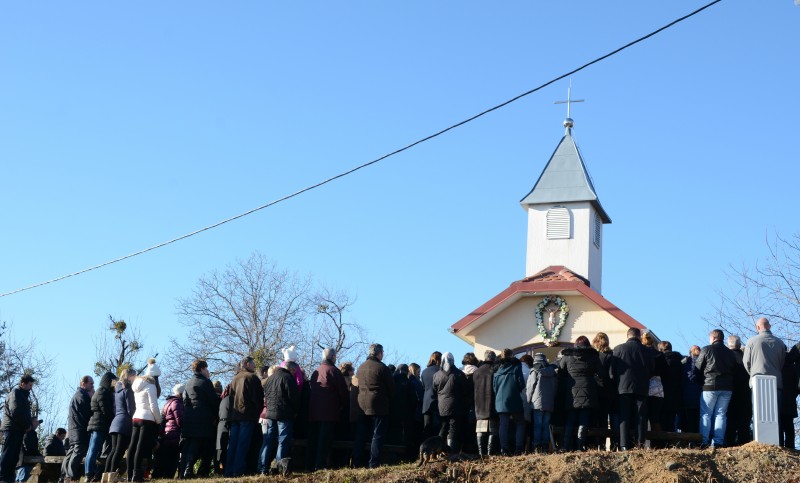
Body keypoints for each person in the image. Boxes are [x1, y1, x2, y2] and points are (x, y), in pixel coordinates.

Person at [353, 343, 395, 468]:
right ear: (379, 353)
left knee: (360, 434)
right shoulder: (382, 368)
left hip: (361, 404)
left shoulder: (361, 367)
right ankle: (373, 463)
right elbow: (392, 388)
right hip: (378, 405)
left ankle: (356, 462)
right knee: (377, 435)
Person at [611, 327, 653, 450]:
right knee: (640, 416)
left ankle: (624, 444)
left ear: (628, 336)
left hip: (623, 387)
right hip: (642, 387)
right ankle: (640, 443)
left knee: (624, 416)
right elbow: (651, 369)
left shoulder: (618, 349)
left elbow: (612, 372)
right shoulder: (646, 351)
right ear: (639, 336)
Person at [307, 348, 348, 471]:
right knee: (324, 440)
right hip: (329, 412)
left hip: (314, 411)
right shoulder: (334, 371)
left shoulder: (315, 372)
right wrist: (343, 405)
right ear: (332, 357)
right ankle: (320, 465)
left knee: (313, 439)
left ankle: (309, 465)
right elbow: (343, 392)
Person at [695, 329, 737, 448]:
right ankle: (718, 441)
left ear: (713, 338)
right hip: (727, 387)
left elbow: (698, 367)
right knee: (721, 414)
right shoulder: (730, 353)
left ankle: (704, 441)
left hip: (710, 385)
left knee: (706, 414)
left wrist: (700, 381)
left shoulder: (707, 349)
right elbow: (734, 369)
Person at [559, 336, 601, 451]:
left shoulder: (567, 356)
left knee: (570, 419)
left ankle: (565, 445)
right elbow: (601, 374)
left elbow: (561, 372)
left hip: (571, 391)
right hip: (588, 390)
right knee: (584, 419)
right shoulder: (593, 357)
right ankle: (579, 446)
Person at [224, 356, 264, 477]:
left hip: (235, 416)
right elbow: (258, 398)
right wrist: (257, 411)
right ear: (247, 364)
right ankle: (238, 470)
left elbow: (230, 399)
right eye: (253, 363)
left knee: (233, 445)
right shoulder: (252, 378)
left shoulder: (234, 379)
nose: (254, 366)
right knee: (243, 444)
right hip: (247, 415)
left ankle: (228, 471)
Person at [180, 359, 220, 478]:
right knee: (200, 445)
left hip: (189, 417)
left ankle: (184, 471)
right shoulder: (205, 382)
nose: (208, 371)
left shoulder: (188, 383)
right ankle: (191, 470)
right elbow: (213, 401)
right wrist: (216, 416)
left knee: (190, 445)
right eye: (206, 368)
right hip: (203, 418)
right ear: (202, 369)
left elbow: (185, 401)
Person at [260, 361, 300, 475]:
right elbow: (294, 398)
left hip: (270, 414)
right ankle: (279, 467)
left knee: (268, 440)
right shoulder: (288, 378)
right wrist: (295, 411)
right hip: (284, 414)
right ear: (291, 369)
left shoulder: (270, 379)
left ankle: (263, 467)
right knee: (283, 441)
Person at [0, 375, 37, 483]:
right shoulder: (15, 394)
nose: (31, 388)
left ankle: (9, 478)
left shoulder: (22, 396)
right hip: (12, 429)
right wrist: (27, 425)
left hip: (17, 429)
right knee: (8, 455)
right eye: (29, 385)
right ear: (23, 384)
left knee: (14, 456)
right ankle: (3, 478)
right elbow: (15, 412)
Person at [128, 366, 161, 482]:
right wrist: (159, 420)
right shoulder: (151, 386)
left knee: (132, 447)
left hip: (136, 417)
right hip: (147, 419)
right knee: (140, 447)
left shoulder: (137, 386)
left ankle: (130, 473)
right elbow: (154, 406)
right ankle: (137, 474)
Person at [744, 317, 787, 405]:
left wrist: (753, 373)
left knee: (758, 413)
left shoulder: (752, 341)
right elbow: (782, 362)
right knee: (774, 413)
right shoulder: (780, 343)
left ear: (758, 327)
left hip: (757, 381)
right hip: (776, 381)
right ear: (769, 326)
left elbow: (746, 362)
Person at [432, 352, 467, 453]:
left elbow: (434, 391)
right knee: (453, 428)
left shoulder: (436, 375)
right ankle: (451, 452)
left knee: (443, 428)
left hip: (441, 406)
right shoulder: (459, 374)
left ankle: (437, 451)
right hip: (455, 406)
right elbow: (466, 390)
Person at [86, 371, 118, 481]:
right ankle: (89, 474)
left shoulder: (103, 392)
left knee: (94, 450)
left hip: (100, 425)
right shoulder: (102, 392)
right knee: (93, 450)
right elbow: (106, 411)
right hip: (99, 425)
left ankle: (94, 473)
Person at [493, 348, 525, 455]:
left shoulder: (496, 371)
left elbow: (495, 388)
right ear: (512, 356)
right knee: (520, 423)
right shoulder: (516, 367)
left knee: (503, 425)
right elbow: (521, 384)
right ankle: (518, 448)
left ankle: (503, 449)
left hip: (501, 401)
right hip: (515, 398)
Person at [106, 368, 137, 476]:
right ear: (130, 376)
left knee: (114, 450)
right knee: (119, 451)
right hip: (124, 423)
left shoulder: (117, 389)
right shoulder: (127, 389)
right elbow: (131, 409)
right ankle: (112, 475)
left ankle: (106, 474)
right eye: (134, 376)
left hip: (115, 422)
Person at [63, 375, 94, 482]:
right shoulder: (82, 396)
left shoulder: (77, 395)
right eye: (91, 383)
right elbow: (87, 414)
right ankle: (70, 476)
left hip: (74, 429)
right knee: (78, 452)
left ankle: (64, 476)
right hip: (79, 429)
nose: (93, 385)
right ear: (83, 384)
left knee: (71, 452)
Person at [152, 384, 185, 479]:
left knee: (164, 459)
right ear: (181, 393)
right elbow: (180, 420)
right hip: (174, 434)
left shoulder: (168, 402)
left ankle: (159, 476)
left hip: (167, 434)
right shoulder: (177, 403)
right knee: (173, 459)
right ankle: (168, 476)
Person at [527, 353, 557, 453]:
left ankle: (536, 447)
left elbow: (530, 387)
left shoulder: (534, 371)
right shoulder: (552, 371)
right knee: (546, 425)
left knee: (537, 426)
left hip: (537, 403)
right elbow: (555, 388)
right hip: (549, 403)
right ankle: (545, 447)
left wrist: (528, 400)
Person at [725, 335, 752, 446]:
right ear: (739, 345)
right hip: (745, 391)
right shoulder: (746, 357)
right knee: (744, 421)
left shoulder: (725, 357)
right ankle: (744, 442)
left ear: (728, 345)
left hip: (730, 391)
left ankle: (729, 443)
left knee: (730, 419)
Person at [592, 333, 617, 449]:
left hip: (596, 390)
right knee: (610, 419)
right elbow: (612, 375)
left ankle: (599, 444)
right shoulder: (611, 355)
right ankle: (612, 444)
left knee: (598, 419)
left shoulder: (594, 355)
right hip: (609, 391)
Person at [473, 350, 498, 457]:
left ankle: (480, 453)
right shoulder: (495, 370)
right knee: (493, 429)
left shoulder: (476, 372)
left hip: (479, 403)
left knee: (480, 429)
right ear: (494, 359)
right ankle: (489, 453)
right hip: (492, 402)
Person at [659, 341, 684, 433]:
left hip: (662, 392)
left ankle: (662, 442)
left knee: (661, 418)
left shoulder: (660, 360)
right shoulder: (680, 360)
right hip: (676, 393)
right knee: (672, 419)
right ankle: (671, 440)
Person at [679, 345, 702, 433]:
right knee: (698, 418)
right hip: (700, 392)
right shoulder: (703, 362)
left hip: (687, 392)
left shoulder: (685, 363)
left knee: (688, 417)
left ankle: (689, 438)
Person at [420, 352, 442, 440]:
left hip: (426, 403)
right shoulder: (441, 371)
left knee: (427, 429)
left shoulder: (424, 371)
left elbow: (424, 386)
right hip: (438, 402)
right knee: (437, 429)